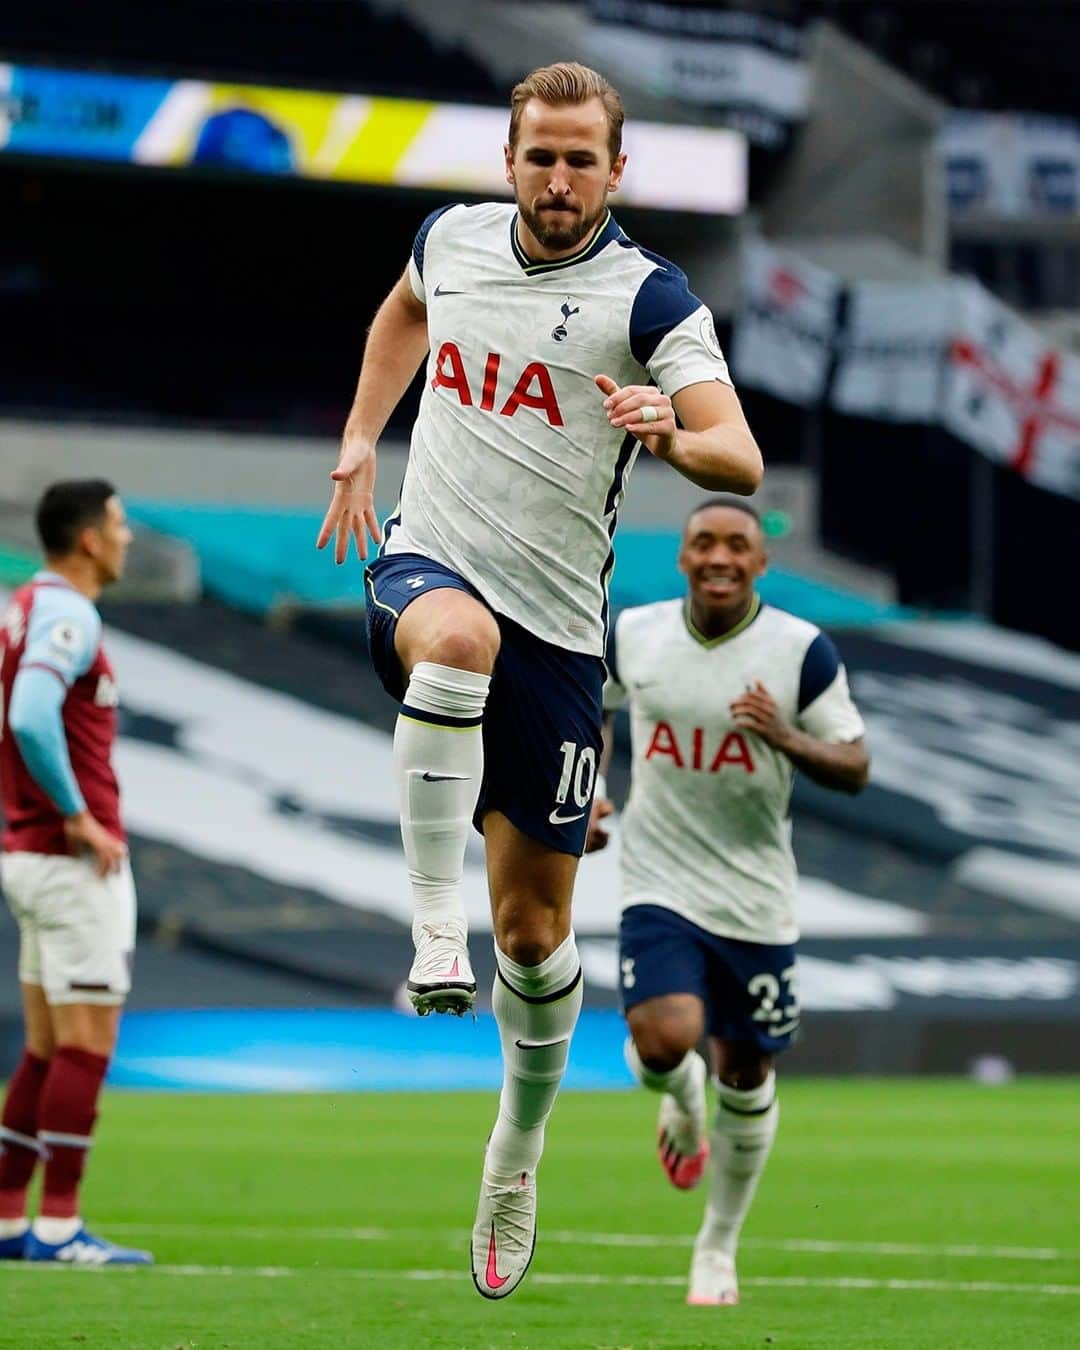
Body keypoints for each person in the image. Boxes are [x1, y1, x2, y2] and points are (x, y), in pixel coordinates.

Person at [316, 62, 763, 1299]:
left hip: (563, 639)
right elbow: (401, 314)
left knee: (538, 935)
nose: (558, 179)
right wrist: (362, 435)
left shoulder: (649, 298)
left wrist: (669, 429)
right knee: (455, 646)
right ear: (508, 161)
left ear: (617, 172)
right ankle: (424, 926)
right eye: (539, 156)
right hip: (432, 565)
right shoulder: (450, 239)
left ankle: (516, 1148)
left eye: (582, 160)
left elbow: (742, 452)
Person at [586, 497, 869, 1306]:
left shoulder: (800, 652)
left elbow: (854, 765)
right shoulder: (634, 632)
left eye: (736, 545)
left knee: (744, 1073)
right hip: (659, 876)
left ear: (760, 562)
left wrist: (784, 737)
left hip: (756, 896)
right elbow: (593, 709)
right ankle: (679, 1106)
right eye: (703, 542)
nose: (719, 556)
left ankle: (717, 1245)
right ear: (681, 556)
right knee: (663, 1037)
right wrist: (596, 794)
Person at [0, 480, 151, 1266]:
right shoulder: (69, 613)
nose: (128, 538)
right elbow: (28, 713)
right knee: (84, 1047)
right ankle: (59, 1226)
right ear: (89, 539)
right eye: (120, 525)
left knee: (45, 1047)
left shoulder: (22, 603)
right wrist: (77, 813)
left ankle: (6, 1220)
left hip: (25, 854)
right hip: (69, 861)